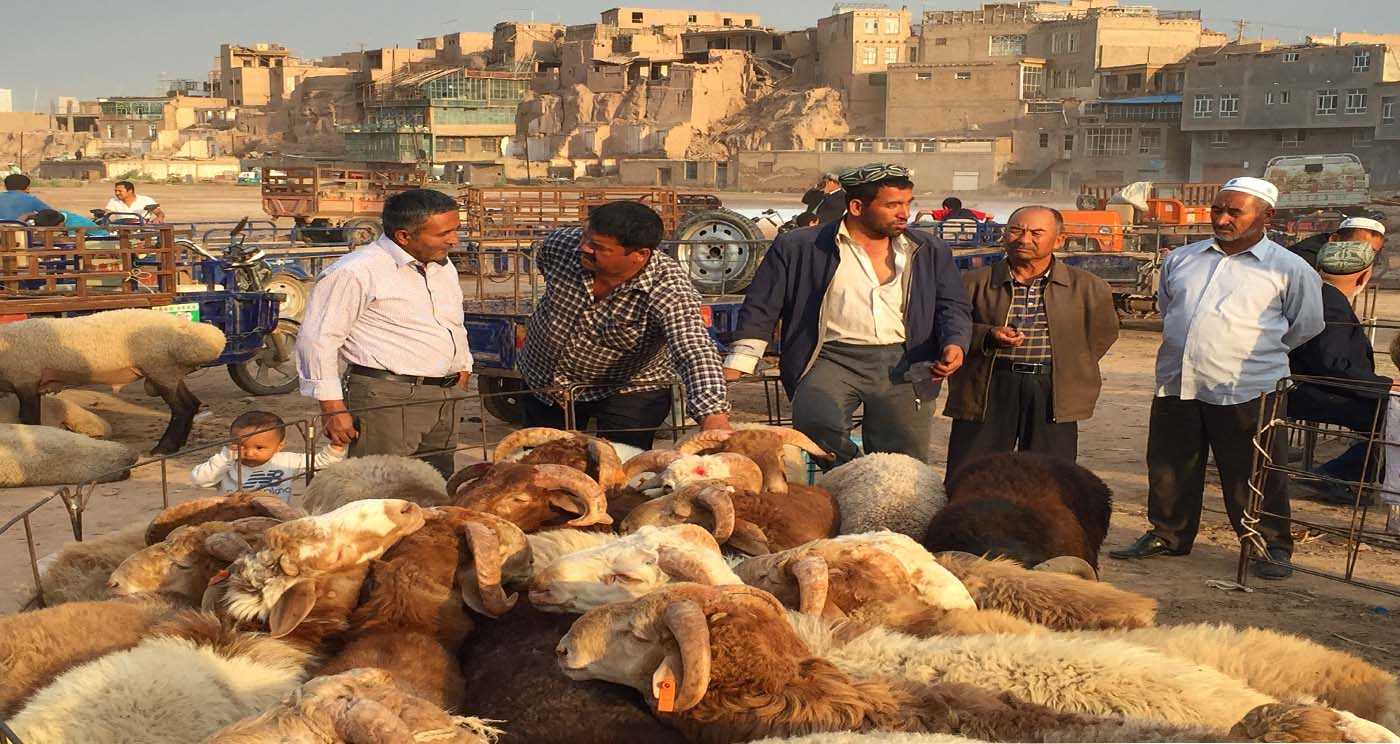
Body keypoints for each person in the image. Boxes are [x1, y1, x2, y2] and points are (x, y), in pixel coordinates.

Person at [1110, 176, 1324, 581]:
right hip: (1179, 381)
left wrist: (1254, 355)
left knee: (1255, 471)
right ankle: (1169, 534)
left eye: (1234, 211)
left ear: (1266, 215)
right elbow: (1170, 308)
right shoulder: (1182, 259)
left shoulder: (1288, 269)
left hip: (1248, 388)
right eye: (1217, 210)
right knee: (1171, 464)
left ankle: (1269, 545)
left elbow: (1306, 326)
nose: (1222, 219)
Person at [723, 162, 972, 466]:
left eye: (908, 204)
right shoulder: (799, 246)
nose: (904, 213)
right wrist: (739, 363)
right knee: (815, 425)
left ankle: (886, 501)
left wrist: (954, 343)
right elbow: (762, 306)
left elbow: (953, 304)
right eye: (892, 205)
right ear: (856, 206)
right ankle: (853, 478)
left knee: (902, 462)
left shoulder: (928, 249)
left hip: (906, 360)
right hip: (829, 358)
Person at [517, 200, 731, 450]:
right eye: (586, 237)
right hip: (545, 381)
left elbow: (694, 350)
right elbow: (544, 260)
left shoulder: (670, 289)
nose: (584, 247)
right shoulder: (561, 246)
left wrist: (713, 415)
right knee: (543, 468)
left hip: (630, 391)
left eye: (598, 247)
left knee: (620, 471)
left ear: (640, 255)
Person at [295, 188, 473, 478]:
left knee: (434, 489)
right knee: (380, 491)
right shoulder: (356, 272)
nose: (454, 240)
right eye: (444, 234)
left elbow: (451, 320)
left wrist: (463, 366)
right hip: (388, 399)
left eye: (455, 230)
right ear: (404, 236)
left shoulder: (443, 265)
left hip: (444, 397)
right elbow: (318, 340)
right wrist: (332, 407)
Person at [944, 206, 1119, 477]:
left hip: (1052, 390)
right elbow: (951, 327)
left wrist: (1066, 363)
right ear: (1004, 235)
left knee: (1049, 479)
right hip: (988, 385)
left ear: (1058, 240)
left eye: (1037, 233)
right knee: (974, 475)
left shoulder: (1088, 287)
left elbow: (1102, 335)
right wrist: (988, 336)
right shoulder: (973, 283)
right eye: (1016, 230)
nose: (1024, 239)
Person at [1287, 241, 1393, 504]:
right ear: (1364, 275)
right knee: (1392, 418)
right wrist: (1385, 387)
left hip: (1313, 385)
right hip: (1313, 390)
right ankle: (1334, 477)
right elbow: (1331, 364)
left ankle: (1355, 477)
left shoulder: (1318, 293)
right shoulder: (1331, 302)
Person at [189, 410, 346, 502]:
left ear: (279, 446)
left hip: (274, 519)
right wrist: (225, 456)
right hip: (233, 519)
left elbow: (318, 462)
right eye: (242, 446)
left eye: (259, 447)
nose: (249, 453)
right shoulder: (227, 463)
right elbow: (199, 480)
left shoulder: (287, 461)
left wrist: (336, 447)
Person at [1287, 217, 1386, 269]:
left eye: (1372, 251)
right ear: (1334, 239)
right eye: (1358, 248)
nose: (1364, 255)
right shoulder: (1304, 259)